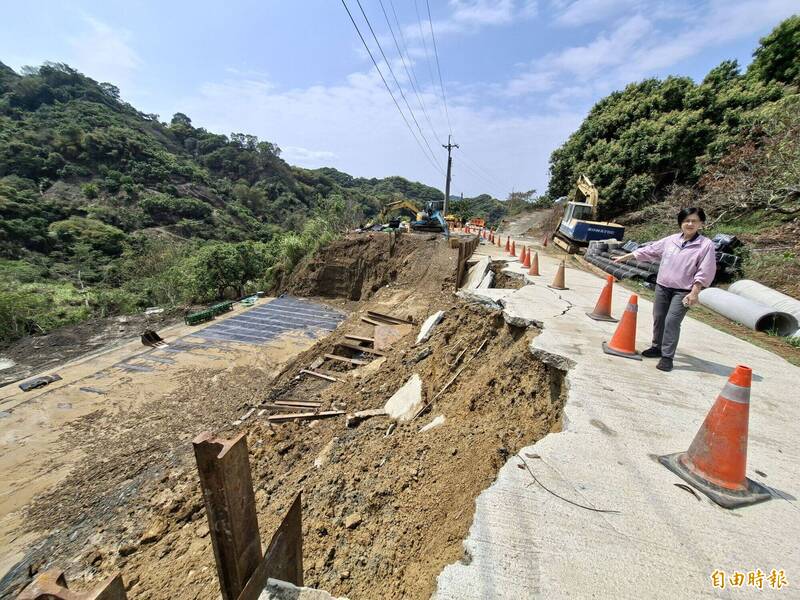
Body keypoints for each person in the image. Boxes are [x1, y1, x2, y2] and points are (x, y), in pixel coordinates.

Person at [613, 207, 716, 372]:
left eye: (694, 221)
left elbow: (706, 270)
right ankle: (657, 347)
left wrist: (695, 292)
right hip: (662, 286)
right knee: (659, 318)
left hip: (683, 291)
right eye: (686, 220)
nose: (690, 224)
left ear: (701, 224)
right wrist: (628, 256)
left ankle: (667, 357)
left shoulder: (705, 245)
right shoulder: (672, 240)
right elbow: (651, 250)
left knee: (672, 322)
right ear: (681, 223)